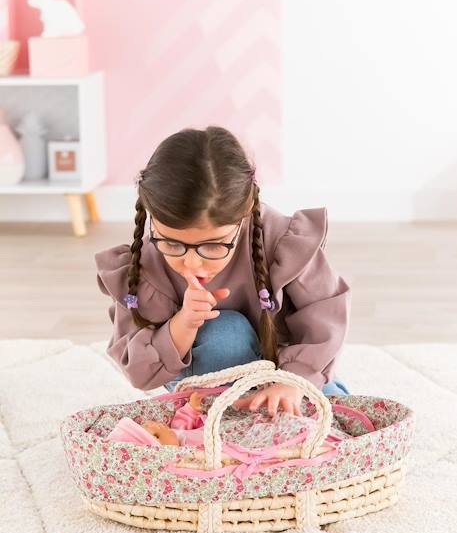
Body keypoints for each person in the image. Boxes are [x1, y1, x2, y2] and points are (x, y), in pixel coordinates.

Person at [95, 126, 351, 418]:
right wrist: (184, 323)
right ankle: (225, 420)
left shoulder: (283, 240)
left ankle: (277, 405)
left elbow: (326, 315)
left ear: (246, 211)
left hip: (283, 371)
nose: (191, 263)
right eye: (171, 243)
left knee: (337, 413)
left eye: (213, 246)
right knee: (226, 332)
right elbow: (139, 370)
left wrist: (294, 380)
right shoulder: (145, 264)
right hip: (210, 383)